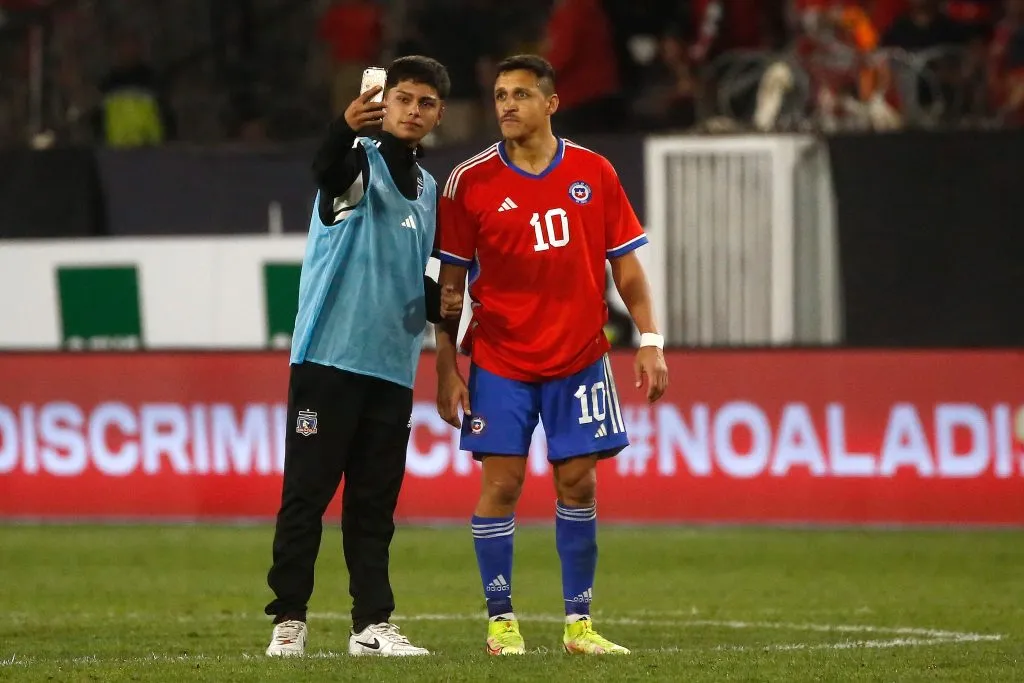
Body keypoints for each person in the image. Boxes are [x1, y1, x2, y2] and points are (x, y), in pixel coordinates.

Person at [433, 54, 669, 656]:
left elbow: (628, 269)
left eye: (519, 94)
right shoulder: (470, 182)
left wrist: (649, 340)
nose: (507, 105)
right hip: (501, 360)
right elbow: (450, 288)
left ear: (550, 103)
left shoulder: (595, 172)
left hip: (581, 357)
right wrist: (445, 369)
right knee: (503, 486)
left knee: (579, 485)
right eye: (499, 95)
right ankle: (501, 622)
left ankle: (579, 626)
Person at [264, 55, 449, 658]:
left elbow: (409, 283)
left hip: (392, 367)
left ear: (438, 113)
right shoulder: (357, 167)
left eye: (425, 102)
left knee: (374, 507)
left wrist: (460, 311)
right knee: (308, 495)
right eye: (403, 99)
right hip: (329, 359)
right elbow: (325, 168)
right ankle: (288, 618)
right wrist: (344, 127)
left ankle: (372, 626)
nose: (413, 111)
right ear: (382, 103)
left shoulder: (427, 192)